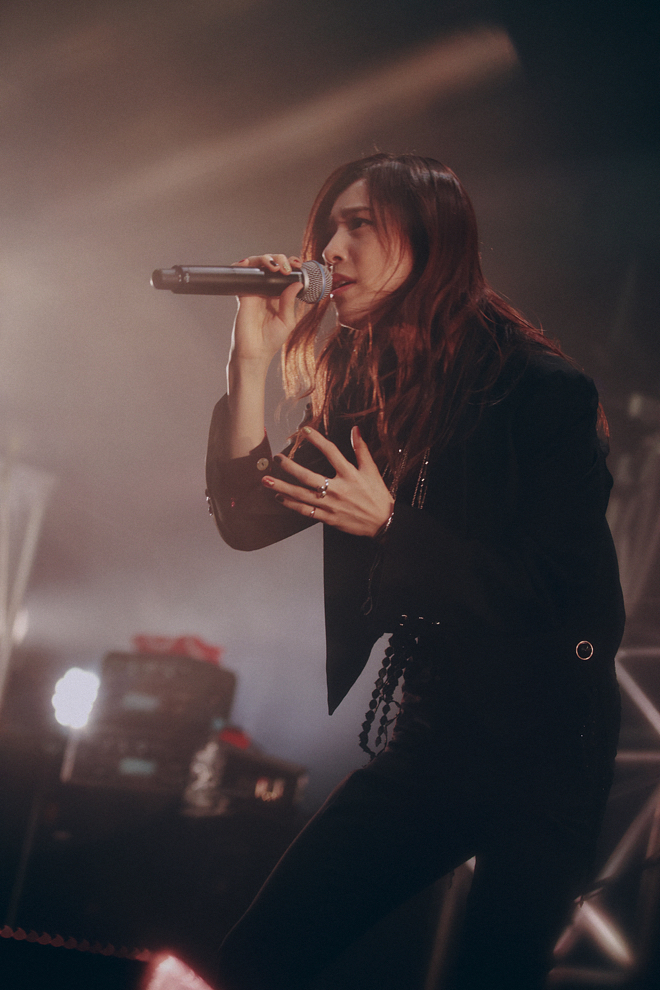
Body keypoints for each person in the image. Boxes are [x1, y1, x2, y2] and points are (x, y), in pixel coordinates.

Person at [204, 154, 624, 990]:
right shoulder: (367, 382)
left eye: (359, 225)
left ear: (430, 240)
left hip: (549, 747)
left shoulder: (542, 391)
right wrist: (249, 363)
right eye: (328, 228)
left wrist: (395, 528)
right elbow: (250, 518)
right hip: (437, 733)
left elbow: (571, 606)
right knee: (256, 959)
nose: (330, 249)